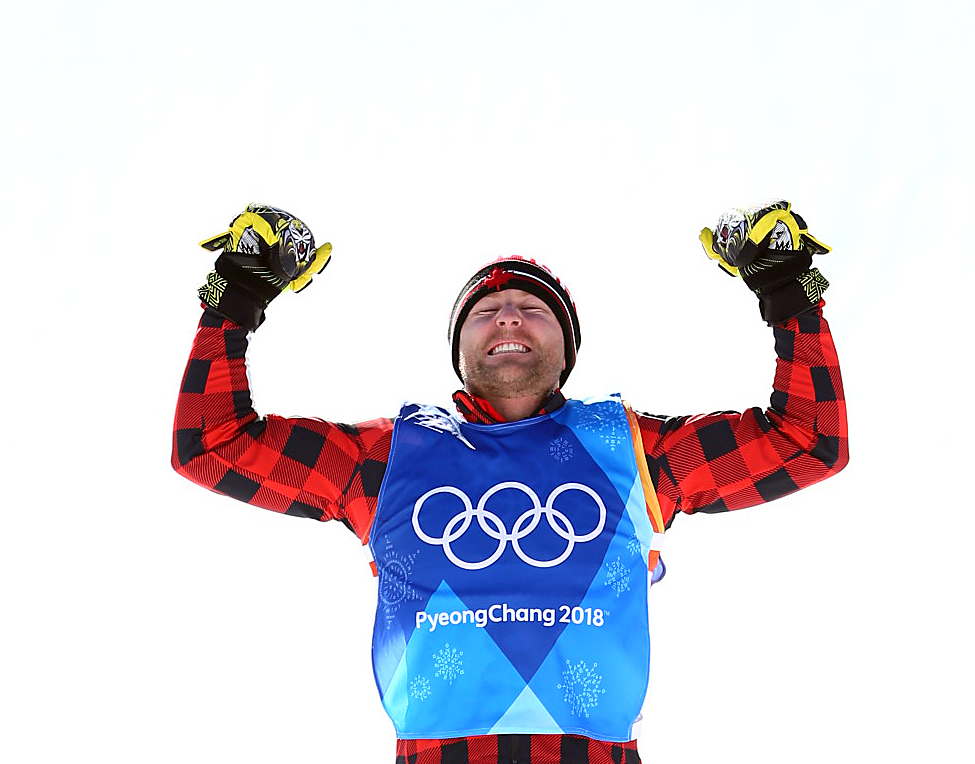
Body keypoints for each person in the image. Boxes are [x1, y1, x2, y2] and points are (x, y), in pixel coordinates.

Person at [172, 200, 848, 764]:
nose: (507, 318)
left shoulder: (633, 447)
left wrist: (787, 293)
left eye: (532, 307)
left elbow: (807, 442)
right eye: (484, 311)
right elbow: (211, 445)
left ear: (565, 347)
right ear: (462, 348)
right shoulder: (388, 455)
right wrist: (235, 301)